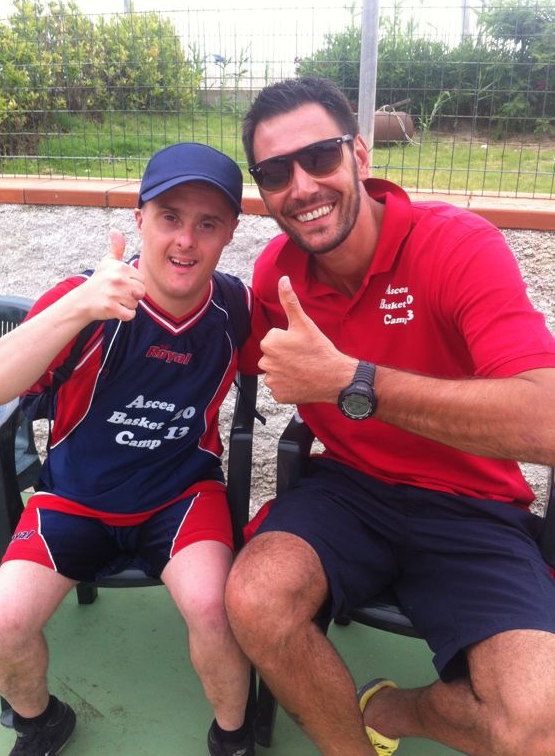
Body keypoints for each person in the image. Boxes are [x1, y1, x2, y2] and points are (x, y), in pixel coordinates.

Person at [224, 77, 555, 756]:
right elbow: (213, 349)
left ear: (359, 154)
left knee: (536, 726)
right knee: (254, 598)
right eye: (275, 173)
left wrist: (353, 382)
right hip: (347, 489)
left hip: (472, 504)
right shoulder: (276, 276)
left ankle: (396, 709)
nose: (301, 186)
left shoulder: (455, 245)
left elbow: (546, 420)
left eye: (319, 157)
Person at [0, 142, 257, 756]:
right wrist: (78, 308)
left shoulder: (236, 307)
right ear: (139, 219)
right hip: (74, 497)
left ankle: (233, 736)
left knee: (215, 610)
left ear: (230, 233)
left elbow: (298, 364)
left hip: (181, 496)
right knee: (2, 622)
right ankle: (42, 722)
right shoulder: (86, 296)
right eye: (170, 217)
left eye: (208, 223)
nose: (185, 240)